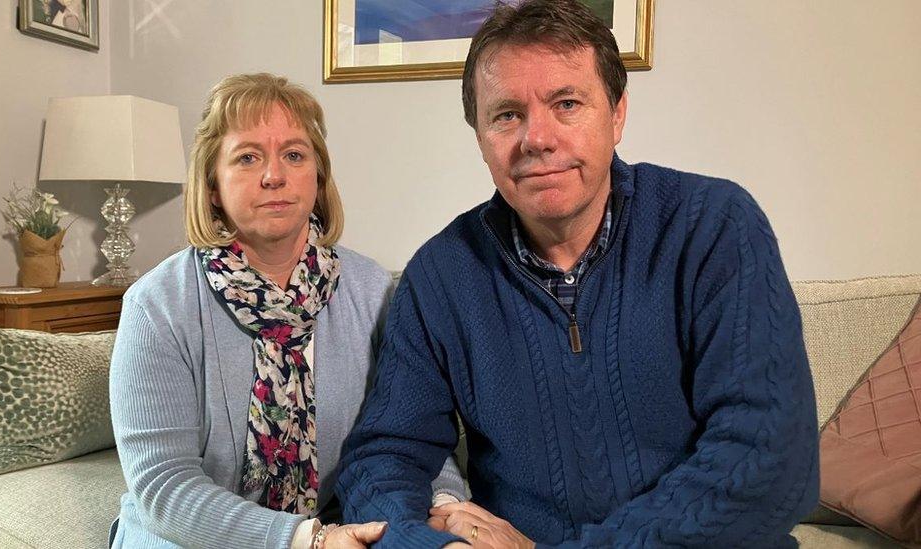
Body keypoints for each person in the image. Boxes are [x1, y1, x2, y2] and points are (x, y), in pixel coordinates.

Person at [337, 1, 819, 547]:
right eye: (507, 114)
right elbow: (385, 455)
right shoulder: (441, 277)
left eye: (566, 103)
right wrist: (431, 544)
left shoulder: (715, 228)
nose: (536, 138)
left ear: (616, 115)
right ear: (479, 136)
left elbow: (767, 462)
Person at [108, 73, 466, 549]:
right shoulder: (157, 305)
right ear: (212, 184)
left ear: (317, 176)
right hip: (188, 535)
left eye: (294, 155)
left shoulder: (373, 289)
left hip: (336, 526)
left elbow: (410, 428)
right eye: (248, 157)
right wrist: (305, 540)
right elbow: (163, 487)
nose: (274, 176)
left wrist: (446, 503)